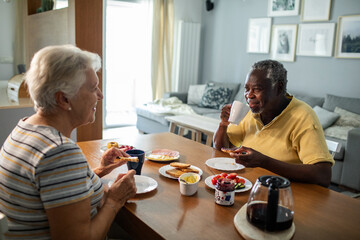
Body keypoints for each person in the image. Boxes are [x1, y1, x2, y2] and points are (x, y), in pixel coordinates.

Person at [0, 45, 137, 239]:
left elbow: (53, 190)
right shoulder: (59, 152)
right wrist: (114, 201)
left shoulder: (24, 129)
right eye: (93, 88)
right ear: (64, 99)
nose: (100, 95)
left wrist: (99, 170)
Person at [214, 59, 334, 187]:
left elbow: (323, 175)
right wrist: (223, 125)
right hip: (252, 185)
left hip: (286, 191)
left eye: (256, 89)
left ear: (279, 88)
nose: (249, 95)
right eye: (247, 89)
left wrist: (264, 162)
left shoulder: (303, 116)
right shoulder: (251, 111)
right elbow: (221, 148)